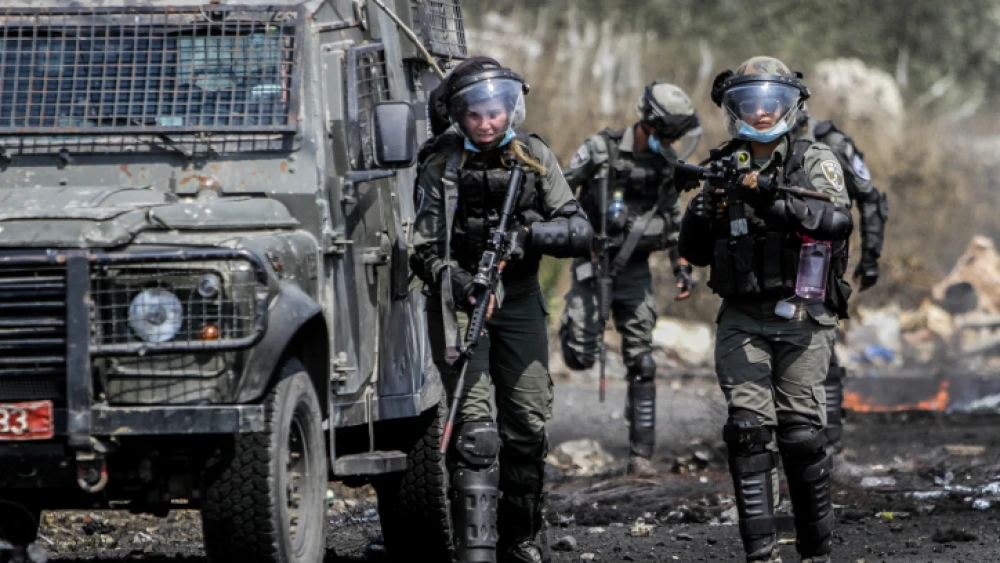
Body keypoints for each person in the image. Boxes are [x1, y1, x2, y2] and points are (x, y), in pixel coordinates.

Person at [412, 56, 592, 563]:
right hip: (461, 303)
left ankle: (519, 538)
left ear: (510, 108)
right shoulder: (440, 163)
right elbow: (422, 246)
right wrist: (460, 280)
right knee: (475, 434)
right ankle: (476, 548)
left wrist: (529, 235)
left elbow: (579, 231)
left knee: (527, 426)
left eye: (494, 112)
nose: (486, 124)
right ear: (459, 116)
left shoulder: (533, 155)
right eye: (474, 115)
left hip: (520, 300)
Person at [678, 56, 854, 563]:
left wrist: (767, 199)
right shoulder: (723, 163)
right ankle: (761, 554)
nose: (760, 114)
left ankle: (815, 552)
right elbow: (695, 248)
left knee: (801, 434)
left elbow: (834, 221)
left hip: (804, 311)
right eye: (750, 104)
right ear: (735, 108)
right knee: (747, 431)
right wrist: (702, 210)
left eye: (770, 104)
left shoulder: (812, 159)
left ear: (790, 106)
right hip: (742, 313)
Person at [558, 82, 702, 476]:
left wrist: (682, 266)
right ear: (649, 123)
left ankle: (641, 456)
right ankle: (570, 327)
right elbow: (558, 191)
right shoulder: (601, 150)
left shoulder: (665, 164)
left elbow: (675, 222)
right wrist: (573, 233)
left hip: (635, 270)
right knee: (580, 356)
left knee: (643, 359)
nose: (671, 141)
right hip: (593, 264)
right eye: (668, 133)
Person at [794, 110, 889, 447]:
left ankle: (829, 436)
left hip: (820, 260)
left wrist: (871, 257)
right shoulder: (755, 142)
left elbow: (870, 196)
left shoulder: (832, 143)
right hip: (771, 261)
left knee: (821, 339)